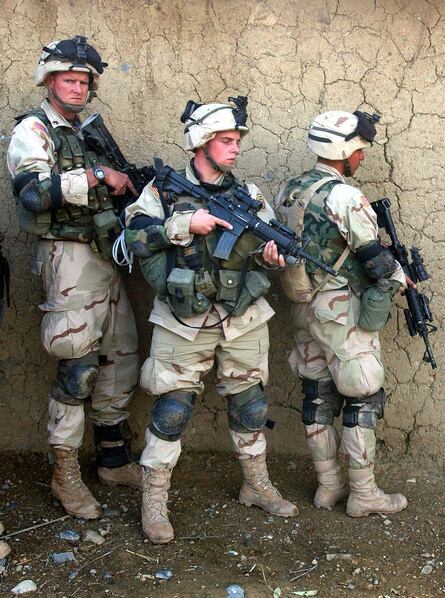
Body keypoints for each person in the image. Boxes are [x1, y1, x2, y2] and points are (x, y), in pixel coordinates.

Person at [124, 97, 296, 544]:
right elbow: (133, 239)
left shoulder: (250, 196)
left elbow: (261, 249)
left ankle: (256, 484)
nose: (235, 148)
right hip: (184, 319)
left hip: (240, 315)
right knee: (173, 408)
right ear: (201, 142)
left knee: (252, 404)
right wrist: (186, 226)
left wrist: (271, 256)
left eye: (238, 140)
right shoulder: (162, 192)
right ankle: (154, 498)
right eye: (226, 140)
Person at [6, 36, 141, 520]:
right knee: (76, 367)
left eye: (85, 81)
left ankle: (113, 460)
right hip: (66, 259)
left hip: (104, 256)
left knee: (120, 357)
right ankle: (65, 476)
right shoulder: (34, 130)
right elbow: (33, 195)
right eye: (69, 79)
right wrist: (97, 177)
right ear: (49, 80)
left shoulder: (82, 131)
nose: (78, 87)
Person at [273, 110, 409, 517]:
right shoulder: (344, 196)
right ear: (344, 149)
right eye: (360, 150)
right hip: (341, 311)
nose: (362, 158)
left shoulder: (288, 190)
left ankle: (328, 486)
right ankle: (363, 494)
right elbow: (373, 259)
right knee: (362, 397)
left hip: (303, 308)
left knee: (316, 396)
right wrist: (401, 278)